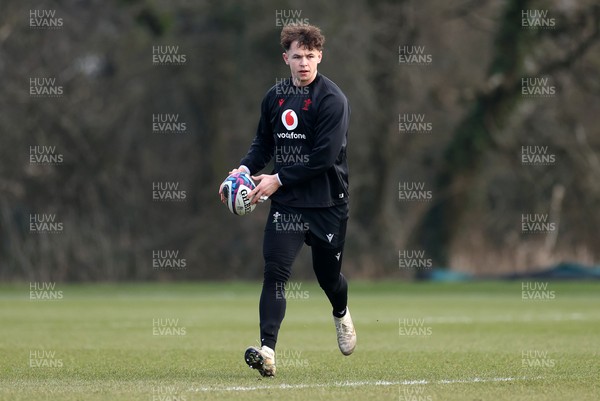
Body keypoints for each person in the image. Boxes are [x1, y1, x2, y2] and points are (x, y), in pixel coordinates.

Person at [219, 24, 356, 378]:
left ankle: (340, 313)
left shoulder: (333, 101)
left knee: (329, 278)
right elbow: (263, 144)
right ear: (286, 58)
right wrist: (242, 172)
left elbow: (323, 158)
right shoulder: (275, 97)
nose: (304, 63)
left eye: (310, 56)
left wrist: (276, 179)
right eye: (297, 56)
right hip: (289, 204)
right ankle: (267, 351)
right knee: (276, 272)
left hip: (327, 204)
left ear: (320, 57)